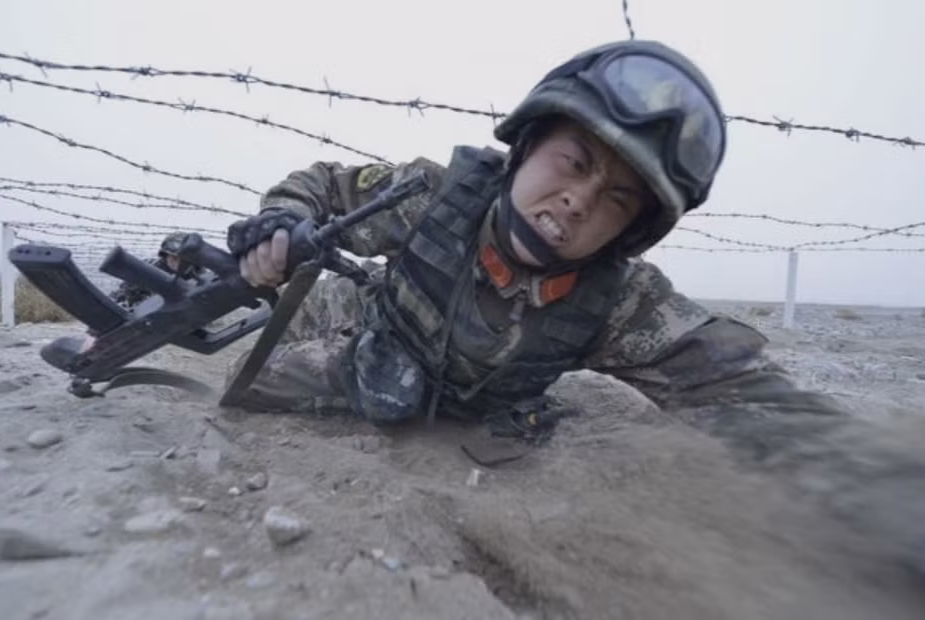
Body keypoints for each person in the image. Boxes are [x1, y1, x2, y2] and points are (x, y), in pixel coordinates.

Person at [225, 39, 925, 577]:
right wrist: (284, 221)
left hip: (474, 410)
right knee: (243, 377)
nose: (580, 200)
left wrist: (887, 498)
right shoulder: (427, 198)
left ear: (631, 231)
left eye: (618, 198)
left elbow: (748, 397)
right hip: (361, 320)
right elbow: (326, 186)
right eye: (575, 162)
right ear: (527, 147)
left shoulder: (623, 302)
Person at [108, 231, 208, 311]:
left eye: (187, 259)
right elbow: (121, 297)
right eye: (175, 258)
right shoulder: (148, 271)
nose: (181, 263)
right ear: (165, 257)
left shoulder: (200, 275)